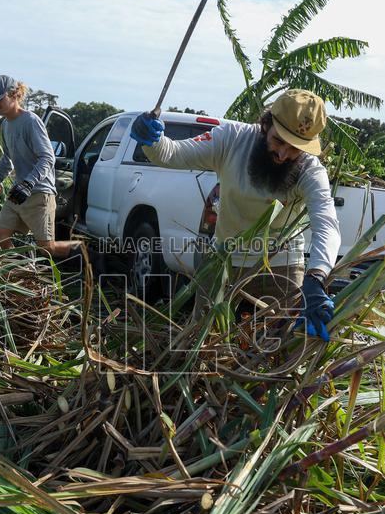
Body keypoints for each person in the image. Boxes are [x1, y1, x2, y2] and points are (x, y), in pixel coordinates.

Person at [131, 89, 340, 340]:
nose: (283, 154)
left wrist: (316, 277)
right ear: (265, 124)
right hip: (223, 262)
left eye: (295, 148)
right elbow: (171, 154)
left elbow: (326, 224)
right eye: (278, 141)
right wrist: (151, 141)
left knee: (280, 348)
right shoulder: (231, 139)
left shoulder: (309, 169)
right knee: (202, 340)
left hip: (280, 267)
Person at [0, 75, 93, 270]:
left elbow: (48, 157)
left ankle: (86, 252)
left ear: (14, 94)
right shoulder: (5, 125)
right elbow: (6, 159)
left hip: (39, 193)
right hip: (17, 193)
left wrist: (28, 183)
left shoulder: (31, 121)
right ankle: (23, 275)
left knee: (47, 248)